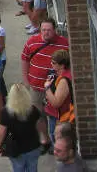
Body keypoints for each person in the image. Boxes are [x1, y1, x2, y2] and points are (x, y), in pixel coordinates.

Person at [21, 18, 69, 151]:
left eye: (48, 30)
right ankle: (45, 138)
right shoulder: (32, 42)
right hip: (36, 87)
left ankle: (57, 143)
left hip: (56, 89)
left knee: (56, 115)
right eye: (43, 30)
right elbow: (24, 59)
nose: (45, 33)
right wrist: (26, 80)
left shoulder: (64, 44)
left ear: (55, 30)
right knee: (37, 115)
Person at [0, 83, 43, 170]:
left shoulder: (6, 112)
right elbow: (40, 125)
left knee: (18, 168)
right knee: (33, 168)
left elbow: (2, 131)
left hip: (16, 149)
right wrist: (44, 137)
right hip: (33, 147)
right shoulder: (33, 110)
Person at [43, 50, 74, 147]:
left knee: (56, 138)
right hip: (58, 115)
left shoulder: (64, 80)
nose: (51, 64)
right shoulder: (61, 75)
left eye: (54, 63)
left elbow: (56, 103)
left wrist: (47, 87)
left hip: (61, 117)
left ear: (62, 64)